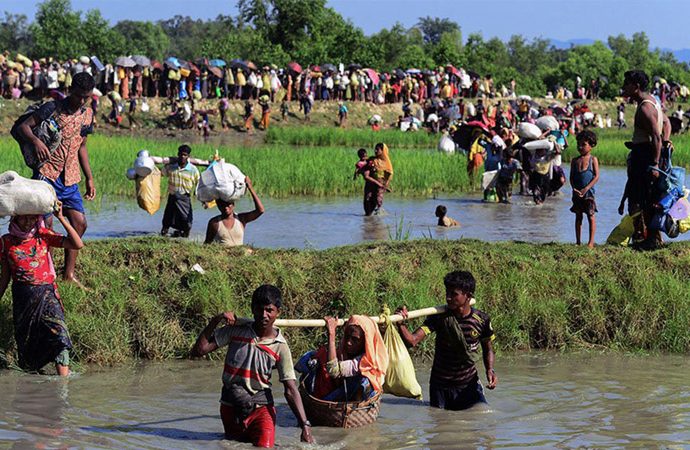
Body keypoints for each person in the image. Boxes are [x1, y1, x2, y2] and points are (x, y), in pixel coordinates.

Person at [190, 284, 315, 447]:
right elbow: (199, 351)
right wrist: (216, 320)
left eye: (269, 310)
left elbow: (290, 389)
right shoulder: (236, 331)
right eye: (260, 309)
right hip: (231, 405)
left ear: (278, 312)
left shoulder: (280, 346)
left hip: (262, 408)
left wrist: (305, 425)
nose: (264, 315)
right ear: (252, 309)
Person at [16, 71, 95, 285]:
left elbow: (82, 147)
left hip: (70, 177)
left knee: (80, 223)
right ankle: (46, 273)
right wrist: (35, 141)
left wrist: (89, 178)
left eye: (86, 97)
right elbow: (23, 127)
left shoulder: (87, 114)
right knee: (45, 225)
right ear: (70, 90)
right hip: (47, 174)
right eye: (78, 95)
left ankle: (68, 274)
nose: (81, 101)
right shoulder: (52, 109)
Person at [0, 204, 84, 376]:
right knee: (28, 349)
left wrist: (61, 218)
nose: (28, 222)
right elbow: (5, 277)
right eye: (23, 217)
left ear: (38, 218)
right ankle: (34, 385)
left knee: (59, 335)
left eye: (32, 217)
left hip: (47, 295)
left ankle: (63, 383)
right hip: (23, 299)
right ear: (15, 218)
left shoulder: (43, 236)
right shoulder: (6, 241)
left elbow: (77, 244)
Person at [396, 271, 497, 410]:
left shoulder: (481, 320)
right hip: (440, 386)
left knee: (480, 417)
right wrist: (400, 323)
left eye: (454, 294)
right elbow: (412, 341)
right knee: (441, 425)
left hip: (468, 385)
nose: (448, 298)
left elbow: (488, 348)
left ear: (468, 296)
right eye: (447, 293)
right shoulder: (438, 318)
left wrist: (490, 370)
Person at [621, 70, 671, 250]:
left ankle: (645, 240)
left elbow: (656, 137)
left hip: (645, 156)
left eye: (627, 84)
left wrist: (656, 164)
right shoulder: (653, 101)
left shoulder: (645, 108)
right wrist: (666, 142)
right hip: (645, 153)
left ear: (636, 86)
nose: (624, 87)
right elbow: (666, 122)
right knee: (648, 197)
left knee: (638, 198)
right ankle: (651, 238)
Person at [295, 315, 388, 402]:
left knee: (364, 381)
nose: (348, 342)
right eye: (347, 337)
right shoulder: (343, 350)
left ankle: (351, 406)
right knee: (313, 356)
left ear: (365, 342)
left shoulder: (366, 361)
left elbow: (333, 370)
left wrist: (331, 333)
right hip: (339, 390)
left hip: (354, 397)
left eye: (355, 339)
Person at [204, 176, 264, 247]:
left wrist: (250, 188)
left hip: (239, 256)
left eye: (228, 204)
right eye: (222, 205)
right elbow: (207, 244)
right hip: (223, 257)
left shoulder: (241, 219)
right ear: (218, 206)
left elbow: (260, 210)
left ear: (233, 205)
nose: (226, 207)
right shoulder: (214, 223)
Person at [160, 145, 200, 238]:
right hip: (172, 197)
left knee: (187, 223)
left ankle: (184, 237)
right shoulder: (171, 167)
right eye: (181, 154)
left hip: (184, 198)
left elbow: (199, 183)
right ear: (178, 154)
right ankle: (163, 237)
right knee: (167, 221)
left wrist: (201, 197)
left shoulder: (193, 170)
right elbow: (160, 174)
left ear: (188, 156)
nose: (182, 157)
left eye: (185, 155)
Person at [570, 130, 600, 248]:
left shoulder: (593, 160)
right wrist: (574, 189)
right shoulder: (575, 161)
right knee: (578, 216)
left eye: (584, 144)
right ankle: (578, 241)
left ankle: (590, 242)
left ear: (591, 145)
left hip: (589, 194)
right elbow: (571, 177)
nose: (580, 147)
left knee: (590, 215)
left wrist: (586, 188)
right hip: (577, 193)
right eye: (579, 144)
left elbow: (596, 176)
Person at [362, 143, 393, 216]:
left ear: (383, 151)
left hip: (380, 184)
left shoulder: (386, 162)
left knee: (378, 200)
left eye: (377, 149)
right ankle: (368, 220)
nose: (375, 151)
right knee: (368, 200)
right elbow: (364, 169)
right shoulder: (371, 159)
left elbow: (389, 174)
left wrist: (386, 185)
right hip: (370, 184)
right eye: (375, 149)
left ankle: (376, 222)